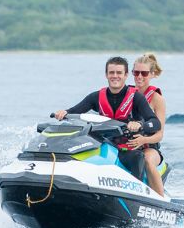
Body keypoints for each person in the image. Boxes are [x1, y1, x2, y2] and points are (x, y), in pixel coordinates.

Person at [54, 56, 162, 179]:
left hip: (128, 149)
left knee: (137, 157)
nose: (115, 76)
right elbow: (74, 111)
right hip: (106, 145)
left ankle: (139, 187)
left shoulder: (137, 98)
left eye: (119, 73)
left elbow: (155, 123)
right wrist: (64, 113)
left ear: (126, 75)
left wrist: (140, 124)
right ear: (106, 75)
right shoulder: (96, 97)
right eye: (111, 72)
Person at [124, 53, 168, 197]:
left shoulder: (157, 99)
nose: (139, 77)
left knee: (147, 159)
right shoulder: (126, 94)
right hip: (127, 145)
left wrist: (143, 140)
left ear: (152, 74)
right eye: (136, 72)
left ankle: (161, 201)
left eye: (144, 73)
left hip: (150, 148)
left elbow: (159, 135)